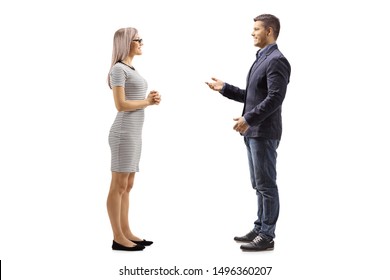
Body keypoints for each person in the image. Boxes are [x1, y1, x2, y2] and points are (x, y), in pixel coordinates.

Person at [206, 14, 291, 251]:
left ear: (270, 31)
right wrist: (225, 89)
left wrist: (248, 118)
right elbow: (253, 97)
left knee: (266, 184)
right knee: (258, 183)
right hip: (254, 131)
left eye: (256, 29)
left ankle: (267, 235)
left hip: (264, 131)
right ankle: (260, 226)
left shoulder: (277, 60)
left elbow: (275, 98)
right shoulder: (262, 58)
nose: (252, 33)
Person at [106, 27, 161, 251]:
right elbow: (120, 105)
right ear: (127, 42)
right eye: (138, 39)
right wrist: (147, 102)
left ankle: (127, 231)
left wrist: (151, 99)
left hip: (134, 133)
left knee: (127, 185)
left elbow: (135, 99)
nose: (141, 43)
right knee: (118, 186)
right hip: (123, 133)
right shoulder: (118, 70)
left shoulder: (131, 69)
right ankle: (118, 237)